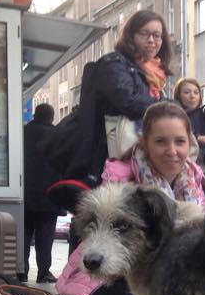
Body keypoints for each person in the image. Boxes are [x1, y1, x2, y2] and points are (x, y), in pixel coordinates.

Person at [58, 101, 205, 295]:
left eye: (179, 141)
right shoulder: (117, 178)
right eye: (160, 141)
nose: (172, 150)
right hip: (100, 289)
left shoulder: (194, 181)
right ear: (144, 142)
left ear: (191, 144)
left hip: (163, 278)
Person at [68, 10, 171, 183]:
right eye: (144, 33)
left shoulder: (155, 72)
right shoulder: (114, 63)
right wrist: (166, 105)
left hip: (143, 155)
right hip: (112, 159)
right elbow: (128, 102)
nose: (151, 40)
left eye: (157, 35)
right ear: (131, 35)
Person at [22, 103, 63, 284]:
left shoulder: (23, 133)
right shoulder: (57, 136)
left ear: (35, 116)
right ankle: (43, 272)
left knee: (24, 235)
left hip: (25, 195)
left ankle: (21, 270)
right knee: (45, 238)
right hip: (49, 197)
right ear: (51, 118)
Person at [173, 77, 204, 162]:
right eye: (187, 92)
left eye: (196, 92)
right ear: (178, 95)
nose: (192, 96)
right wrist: (198, 139)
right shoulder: (174, 117)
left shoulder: (204, 114)